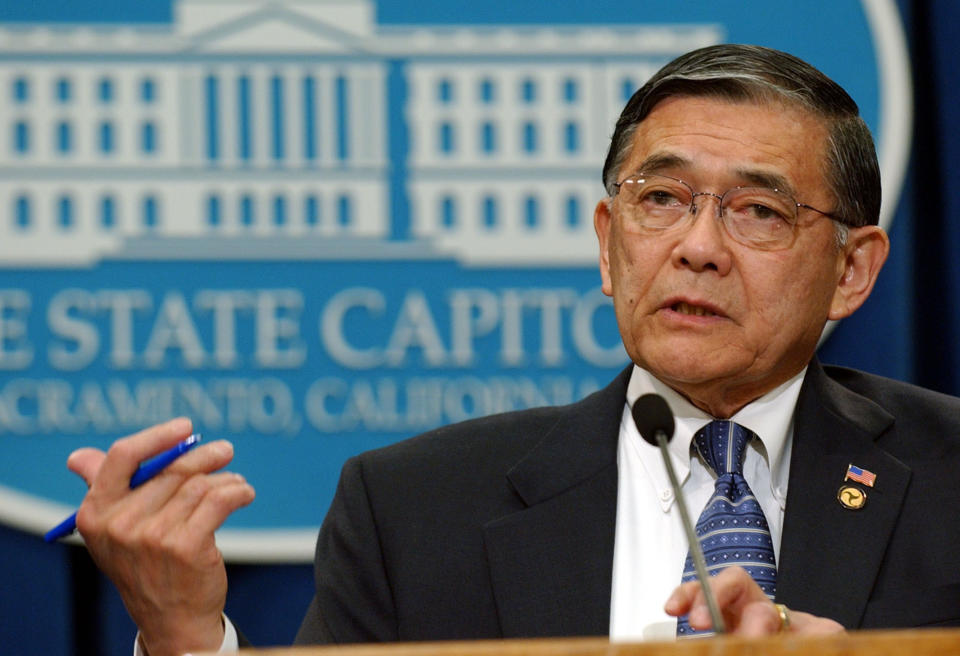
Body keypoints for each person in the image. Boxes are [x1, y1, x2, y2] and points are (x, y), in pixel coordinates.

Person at [67, 44, 960, 656]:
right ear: (609, 244)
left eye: (758, 211)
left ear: (853, 270)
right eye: (661, 200)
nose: (697, 246)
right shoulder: (413, 510)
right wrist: (186, 636)